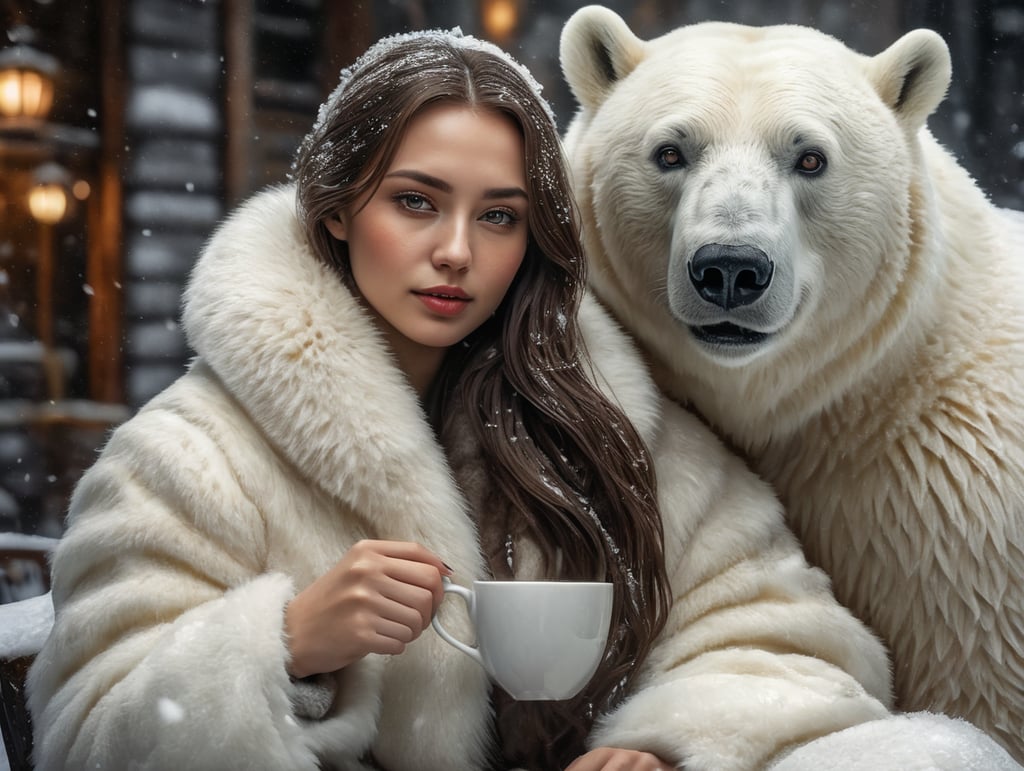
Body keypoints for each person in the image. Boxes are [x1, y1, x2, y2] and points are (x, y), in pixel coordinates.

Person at [27, 29, 897, 771]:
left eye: (499, 216)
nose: (455, 251)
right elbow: (83, 734)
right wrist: (283, 644)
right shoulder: (188, 457)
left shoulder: (611, 420)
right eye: (416, 202)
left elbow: (793, 642)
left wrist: (672, 740)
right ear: (335, 209)